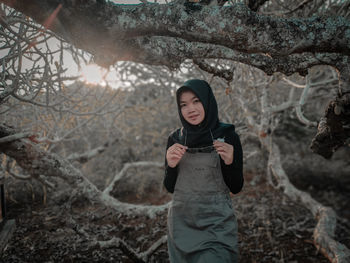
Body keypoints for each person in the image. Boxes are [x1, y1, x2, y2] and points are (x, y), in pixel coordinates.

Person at [164, 79, 244, 263]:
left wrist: (230, 161)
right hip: (182, 222)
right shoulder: (175, 138)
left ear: (207, 101)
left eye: (196, 101)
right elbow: (169, 187)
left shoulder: (228, 135)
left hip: (217, 222)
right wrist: (171, 165)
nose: (190, 109)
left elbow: (236, 186)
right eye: (183, 105)